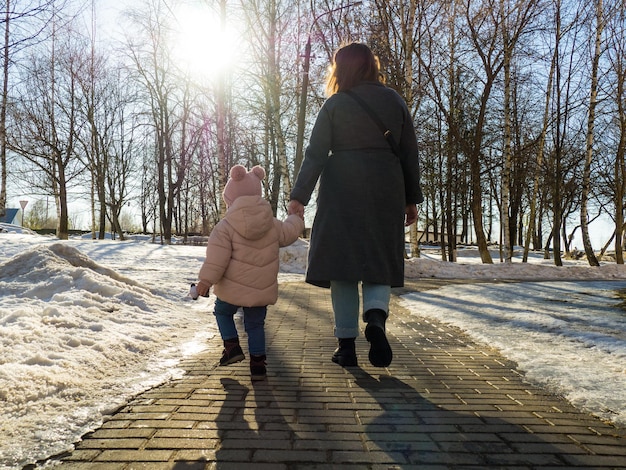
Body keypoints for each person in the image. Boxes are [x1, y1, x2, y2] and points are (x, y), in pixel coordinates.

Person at [288, 42, 423, 368]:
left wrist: (298, 197)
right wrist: (410, 199)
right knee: (379, 259)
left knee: (342, 269)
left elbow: (316, 154)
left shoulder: (335, 104)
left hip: (342, 190)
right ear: (372, 66)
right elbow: (409, 153)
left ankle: (346, 346)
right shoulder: (394, 101)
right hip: (385, 189)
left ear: (341, 69)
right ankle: (375, 318)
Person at [192, 164, 304, 380]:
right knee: (255, 324)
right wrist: (296, 218)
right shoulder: (271, 223)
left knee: (223, 312)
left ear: (230, 198)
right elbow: (289, 233)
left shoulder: (225, 226)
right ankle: (258, 363)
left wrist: (205, 282)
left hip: (231, 289)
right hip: (260, 289)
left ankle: (232, 346)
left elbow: (217, 259)